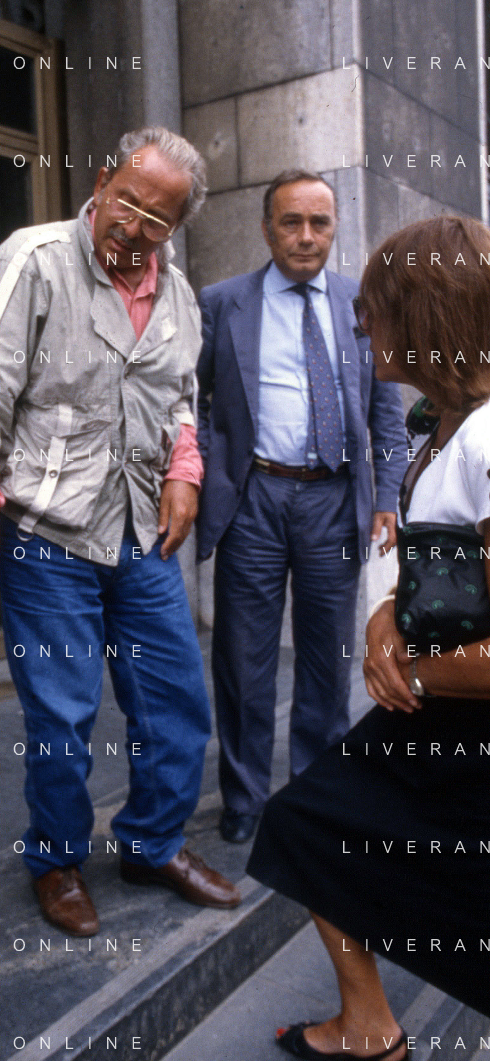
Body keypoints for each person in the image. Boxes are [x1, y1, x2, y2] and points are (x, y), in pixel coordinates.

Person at [0, 127, 241, 937]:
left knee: (176, 700)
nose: (131, 227)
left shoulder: (178, 295)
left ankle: (151, 842)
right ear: (101, 182)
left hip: (140, 532)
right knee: (61, 717)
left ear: (177, 228)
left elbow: (178, 400)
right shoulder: (33, 260)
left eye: (155, 219)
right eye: (125, 202)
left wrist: (183, 471)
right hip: (45, 532)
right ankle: (56, 858)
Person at [247, 214, 490, 1061]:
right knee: (307, 823)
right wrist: (387, 612)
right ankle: (365, 1022)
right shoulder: (444, 421)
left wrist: (413, 667)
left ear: (424, 315)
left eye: (373, 308)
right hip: (431, 713)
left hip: (464, 725)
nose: (360, 323)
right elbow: (441, 559)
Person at [196, 169, 406, 844]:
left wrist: (388, 492)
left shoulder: (360, 303)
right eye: (291, 222)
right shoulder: (222, 302)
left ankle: (315, 794)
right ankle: (244, 798)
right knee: (242, 657)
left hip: (334, 499)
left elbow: (385, 407)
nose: (306, 236)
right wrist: (207, 470)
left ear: (334, 227)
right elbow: (190, 401)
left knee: (326, 657)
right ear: (267, 229)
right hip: (252, 499)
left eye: (319, 222)